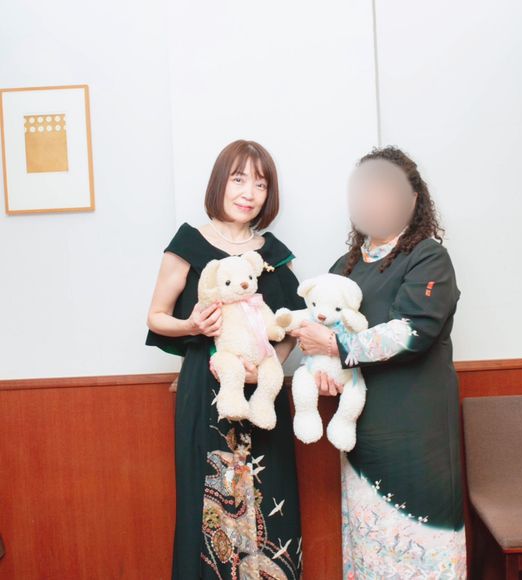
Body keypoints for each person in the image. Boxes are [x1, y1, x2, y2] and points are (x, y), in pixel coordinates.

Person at [291, 146, 467, 578]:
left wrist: (336, 346)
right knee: (368, 539)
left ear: (413, 199)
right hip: (363, 425)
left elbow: (412, 331)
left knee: (423, 542)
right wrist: (327, 373)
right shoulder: (345, 266)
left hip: (418, 426)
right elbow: (320, 327)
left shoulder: (428, 256)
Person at [146, 140, 305, 579]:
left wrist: (269, 364)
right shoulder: (188, 243)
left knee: (271, 499)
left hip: (262, 395)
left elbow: (292, 326)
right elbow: (156, 316)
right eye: (239, 179)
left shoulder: (272, 254)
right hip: (205, 388)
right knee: (207, 503)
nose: (249, 192)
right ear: (220, 182)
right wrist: (192, 325)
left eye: (260, 184)